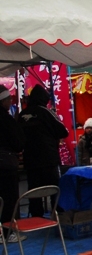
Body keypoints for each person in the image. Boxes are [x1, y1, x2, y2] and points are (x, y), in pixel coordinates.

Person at [19, 84, 69, 217]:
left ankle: (36, 217)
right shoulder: (46, 112)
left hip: (30, 159)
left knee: (34, 190)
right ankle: (57, 215)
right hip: (49, 158)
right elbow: (63, 131)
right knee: (54, 188)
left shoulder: (22, 114)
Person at [0, 86, 25, 242]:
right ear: (3, 101)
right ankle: (7, 232)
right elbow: (18, 142)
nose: (10, 102)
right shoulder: (6, 119)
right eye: (9, 99)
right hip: (5, 163)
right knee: (9, 199)